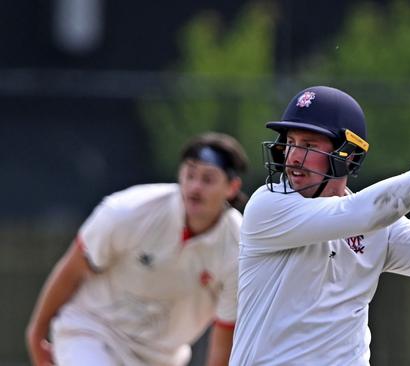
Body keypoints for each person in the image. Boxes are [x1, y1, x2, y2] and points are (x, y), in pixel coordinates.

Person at [229, 86, 410, 365]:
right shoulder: (267, 206)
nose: (293, 157)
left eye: (309, 145)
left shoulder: (377, 223)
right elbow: (366, 213)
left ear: (348, 156)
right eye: (290, 143)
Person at [25, 132, 249, 366]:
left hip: (161, 358)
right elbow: (73, 268)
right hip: (93, 333)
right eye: (190, 174)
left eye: (208, 179)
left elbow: (225, 329)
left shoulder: (240, 248)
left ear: (232, 187)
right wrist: (36, 334)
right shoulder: (129, 211)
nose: (194, 187)